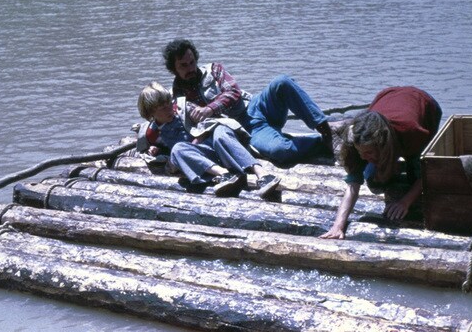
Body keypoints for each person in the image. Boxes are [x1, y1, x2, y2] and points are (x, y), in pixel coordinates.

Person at [162, 39, 334, 166]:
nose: (190, 68)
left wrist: (209, 109)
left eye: (192, 62)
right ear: (174, 69)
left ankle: (326, 131)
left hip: (255, 105)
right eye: (183, 66)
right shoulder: (176, 98)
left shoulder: (214, 69)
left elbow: (233, 92)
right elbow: (179, 126)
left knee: (281, 82)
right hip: (245, 128)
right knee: (280, 151)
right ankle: (318, 143)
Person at [320, 86, 443, 239]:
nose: (364, 157)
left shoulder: (413, 133)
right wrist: (337, 226)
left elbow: (428, 172)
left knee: (415, 174)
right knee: (374, 179)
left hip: (425, 103)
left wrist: (405, 202)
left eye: (369, 153)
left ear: (383, 144)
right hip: (389, 95)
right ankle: (390, 164)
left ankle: (400, 161)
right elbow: (353, 184)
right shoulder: (356, 140)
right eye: (361, 152)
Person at [136, 81, 281, 198]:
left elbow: (210, 121)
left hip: (219, 145)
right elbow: (158, 155)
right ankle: (225, 175)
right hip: (203, 159)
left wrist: (200, 136)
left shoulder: (183, 108)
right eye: (162, 108)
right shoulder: (151, 133)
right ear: (151, 113)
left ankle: (263, 175)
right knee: (178, 149)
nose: (169, 109)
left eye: (169, 103)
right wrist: (156, 151)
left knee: (220, 131)